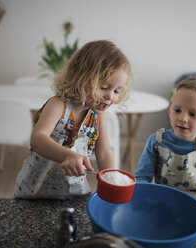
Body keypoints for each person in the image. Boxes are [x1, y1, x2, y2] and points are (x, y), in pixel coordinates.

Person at [14, 40, 133, 199]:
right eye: (104, 87)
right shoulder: (58, 105)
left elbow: (104, 152)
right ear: (82, 78)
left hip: (74, 192)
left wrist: (111, 181)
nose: (110, 96)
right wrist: (67, 155)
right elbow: (38, 138)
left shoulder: (98, 115)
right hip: (36, 192)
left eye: (117, 91)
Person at [135, 77, 196, 203]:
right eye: (177, 110)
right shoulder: (156, 141)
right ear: (170, 111)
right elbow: (142, 177)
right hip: (162, 204)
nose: (183, 118)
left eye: (192, 114)